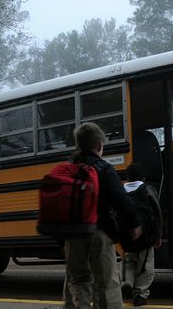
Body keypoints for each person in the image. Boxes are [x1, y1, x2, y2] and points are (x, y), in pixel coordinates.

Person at [63, 122, 141, 309]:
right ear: (99, 146)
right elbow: (120, 199)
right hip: (100, 231)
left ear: (78, 145)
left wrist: (62, 241)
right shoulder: (104, 168)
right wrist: (134, 224)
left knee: (78, 279)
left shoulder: (67, 169)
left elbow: (61, 205)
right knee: (106, 282)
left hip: (73, 235)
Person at [120, 163, 162, 307]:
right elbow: (157, 214)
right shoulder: (147, 190)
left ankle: (127, 282)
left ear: (127, 177)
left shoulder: (121, 191)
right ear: (142, 177)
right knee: (145, 265)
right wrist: (157, 235)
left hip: (128, 238)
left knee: (130, 261)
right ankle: (141, 294)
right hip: (146, 237)